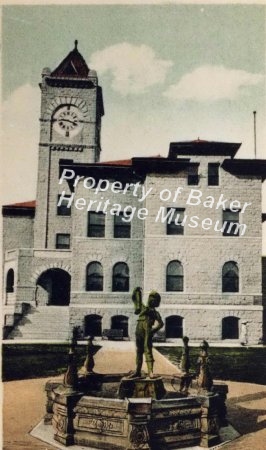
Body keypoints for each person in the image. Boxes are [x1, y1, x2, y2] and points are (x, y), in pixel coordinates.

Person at [129, 286, 164, 379]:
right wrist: (136, 291)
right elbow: (136, 300)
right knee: (139, 350)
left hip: (147, 329)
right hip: (139, 327)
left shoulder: (155, 313)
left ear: (156, 302)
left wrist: (153, 331)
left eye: (153, 299)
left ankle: (150, 372)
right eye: (150, 298)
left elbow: (161, 323)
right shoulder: (143, 308)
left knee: (147, 348)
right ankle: (137, 371)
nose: (150, 300)